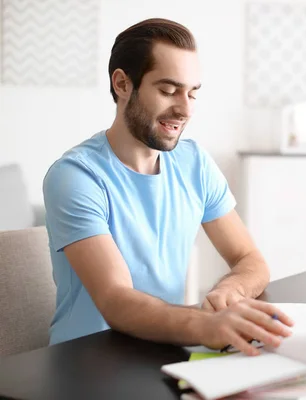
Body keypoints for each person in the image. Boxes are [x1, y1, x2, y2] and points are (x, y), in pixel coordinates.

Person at [42, 18, 292, 356]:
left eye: (192, 93)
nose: (185, 108)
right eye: (168, 90)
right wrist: (206, 325)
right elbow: (116, 300)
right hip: (86, 361)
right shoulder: (75, 176)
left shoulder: (194, 163)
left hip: (160, 349)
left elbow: (249, 259)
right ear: (122, 84)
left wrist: (230, 291)